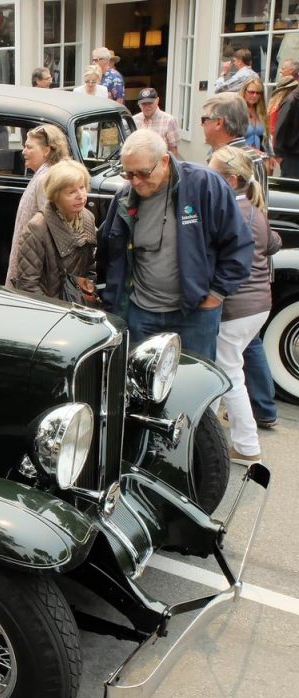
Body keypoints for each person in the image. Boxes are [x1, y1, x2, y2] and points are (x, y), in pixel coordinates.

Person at [97, 129, 253, 360]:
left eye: (142, 173)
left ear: (164, 160)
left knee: (195, 385)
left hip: (195, 314)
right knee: (140, 389)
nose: (136, 181)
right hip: (140, 314)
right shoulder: (125, 196)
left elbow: (238, 245)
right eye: (128, 174)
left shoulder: (204, 185)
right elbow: (109, 250)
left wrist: (215, 295)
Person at [209, 145, 280, 463]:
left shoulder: (231, 212)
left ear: (232, 180)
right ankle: (214, 426)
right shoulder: (254, 209)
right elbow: (273, 243)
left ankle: (247, 445)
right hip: (259, 303)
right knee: (229, 365)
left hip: (236, 306)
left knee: (229, 372)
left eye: (214, 175)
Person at [10, 159, 96, 299]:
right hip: (50, 310)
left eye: (82, 187)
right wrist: (56, 309)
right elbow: (28, 285)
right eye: (71, 192)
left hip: (78, 308)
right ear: (56, 196)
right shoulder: (36, 228)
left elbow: (90, 267)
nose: (80, 195)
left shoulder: (88, 218)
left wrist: (87, 295)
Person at [6, 124, 70, 285]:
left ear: (46, 150)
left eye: (29, 147)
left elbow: (52, 229)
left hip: (34, 272)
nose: (23, 151)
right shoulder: (44, 175)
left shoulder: (45, 179)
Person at [201, 92, 268, 202]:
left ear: (219, 122)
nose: (202, 125)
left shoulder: (250, 159)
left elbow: (258, 208)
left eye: (204, 120)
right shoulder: (217, 154)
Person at [132, 87, 180, 158]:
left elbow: (173, 149)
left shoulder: (169, 120)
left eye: (150, 103)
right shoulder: (134, 120)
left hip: (160, 165)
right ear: (139, 105)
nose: (147, 106)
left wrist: (170, 168)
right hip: (139, 165)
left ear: (157, 101)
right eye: (144, 104)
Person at [268, 59, 298, 166]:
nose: (280, 71)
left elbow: (282, 124)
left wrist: (278, 152)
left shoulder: (291, 97)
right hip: (278, 142)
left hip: (289, 151)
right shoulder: (286, 98)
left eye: (283, 69)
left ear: (291, 71)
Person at [240, 76, 268, 151]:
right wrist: (250, 149)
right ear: (244, 91)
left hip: (255, 159)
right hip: (238, 158)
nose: (254, 95)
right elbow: (228, 140)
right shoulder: (236, 109)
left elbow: (266, 140)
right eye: (251, 92)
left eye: (258, 93)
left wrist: (271, 155)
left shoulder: (261, 112)